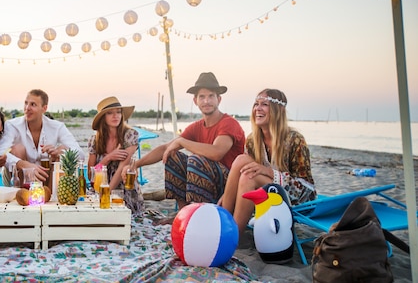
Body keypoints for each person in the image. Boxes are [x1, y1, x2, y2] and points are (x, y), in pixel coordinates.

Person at [133, 72, 245, 213]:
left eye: (211, 96)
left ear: (219, 99)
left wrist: (183, 142)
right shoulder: (197, 126)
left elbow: (217, 152)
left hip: (229, 186)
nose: (206, 101)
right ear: (195, 101)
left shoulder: (229, 123)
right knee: (172, 155)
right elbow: (166, 148)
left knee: (195, 159)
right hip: (204, 182)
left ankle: (198, 214)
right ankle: (183, 213)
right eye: (202, 97)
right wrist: (136, 164)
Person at [218, 89, 316, 235]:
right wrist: (228, 195)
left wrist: (269, 172)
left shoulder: (295, 140)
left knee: (249, 176)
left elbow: (306, 186)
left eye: (264, 104)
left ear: (278, 110)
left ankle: (233, 234)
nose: (257, 108)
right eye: (256, 104)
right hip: (265, 191)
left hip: (297, 197)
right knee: (241, 160)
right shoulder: (253, 140)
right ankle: (223, 221)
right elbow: (242, 170)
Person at [0, 89, 85, 184]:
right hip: (18, 176)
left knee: (64, 150)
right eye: (26, 103)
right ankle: (20, 193)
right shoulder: (12, 125)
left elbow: (81, 155)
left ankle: (50, 194)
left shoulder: (57, 126)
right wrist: (25, 165)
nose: (27, 108)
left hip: (45, 175)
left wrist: (58, 152)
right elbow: (0, 154)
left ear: (44, 108)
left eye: (33, 104)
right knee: (18, 149)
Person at [88, 96, 144, 215]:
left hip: (123, 187)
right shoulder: (95, 140)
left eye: (118, 112)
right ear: (104, 117)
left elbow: (121, 168)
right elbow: (91, 173)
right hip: (100, 187)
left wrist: (106, 193)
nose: (116, 116)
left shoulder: (130, 135)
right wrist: (108, 158)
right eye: (110, 113)